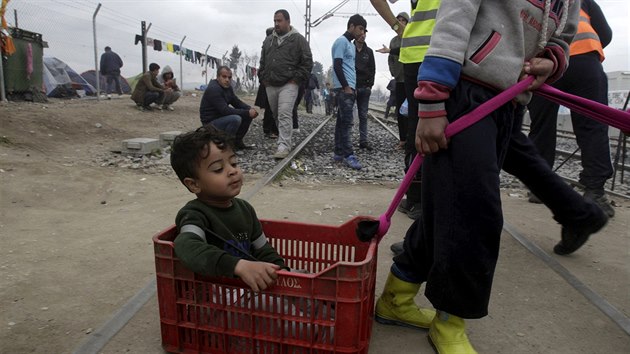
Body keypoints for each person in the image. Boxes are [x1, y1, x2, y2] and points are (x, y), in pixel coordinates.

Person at [373, 1, 608, 353]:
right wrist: (433, 101)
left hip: (510, 100)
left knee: (450, 201)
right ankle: (451, 318)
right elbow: (454, 18)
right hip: (463, 88)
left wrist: (554, 60)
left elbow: (563, 35)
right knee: (474, 212)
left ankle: (396, 296)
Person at [170, 125, 286, 292]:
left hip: (248, 289)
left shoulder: (245, 209)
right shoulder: (194, 214)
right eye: (218, 169)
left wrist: (282, 272)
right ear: (194, 184)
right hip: (216, 295)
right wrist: (237, 266)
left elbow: (263, 249)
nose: (232, 171)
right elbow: (186, 245)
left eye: (233, 163)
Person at [527, 0, 615, 218]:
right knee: (592, 126)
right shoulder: (583, 1)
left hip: (544, 64)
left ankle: (540, 189)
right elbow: (605, 33)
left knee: (541, 127)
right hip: (584, 61)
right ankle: (594, 191)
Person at [373, 1, 437, 221]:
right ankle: (421, 200)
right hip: (442, 51)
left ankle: (415, 197)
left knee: (417, 128)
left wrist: (399, 28)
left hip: (415, 54)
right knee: (432, 126)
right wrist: (398, 28)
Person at [259, 9, 313, 159]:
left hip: (289, 84)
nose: (276, 24)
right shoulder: (269, 40)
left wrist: (296, 79)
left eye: (279, 21)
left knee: (284, 112)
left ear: (288, 21)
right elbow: (262, 61)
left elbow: (307, 62)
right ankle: (283, 139)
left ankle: (284, 145)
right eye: (275, 21)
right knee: (276, 113)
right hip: (270, 84)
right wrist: (263, 77)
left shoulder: (298, 40)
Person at [331, 14, 367, 170]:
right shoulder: (341, 42)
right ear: (351, 26)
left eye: (364, 30)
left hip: (350, 88)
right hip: (344, 88)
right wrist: (346, 86)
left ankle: (338, 152)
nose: (362, 33)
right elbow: (337, 65)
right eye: (360, 28)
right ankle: (348, 155)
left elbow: (349, 67)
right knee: (347, 123)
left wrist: (353, 87)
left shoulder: (351, 45)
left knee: (341, 122)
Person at [199, 66, 258, 151]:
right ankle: (225, 146)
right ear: (218, 77)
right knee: (235, 119)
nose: (227, 80)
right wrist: (246, 112)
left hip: (221, 118)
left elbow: (236, 102)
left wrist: (250, 109)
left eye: (229, 77)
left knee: (247, 114)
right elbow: (225, 110)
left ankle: (237, 142)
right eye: (224, 77)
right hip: (210, 123)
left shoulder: (227, 88)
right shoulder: (214, 89)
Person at [387, 12, 409, 150]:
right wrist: (393, 72)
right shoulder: (393, 41)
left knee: (413, 110)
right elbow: (390, 59)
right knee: (400, 111)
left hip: (412, 78)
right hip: (399, 80)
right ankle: (402, 140)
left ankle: (412, 139)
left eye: (403, 20)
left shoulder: (411, 37)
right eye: (398, 20)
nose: (400, 22)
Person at [255, 27, 279, 140]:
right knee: (272, 107)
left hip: (269, 80)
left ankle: (271, 129)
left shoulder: (267, 45)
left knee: (272, 107)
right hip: (270, 81)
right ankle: (270, 129)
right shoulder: (269, 45)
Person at [354, 30, 376, 151]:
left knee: (363, 115)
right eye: (360, 33)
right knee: (347, 115)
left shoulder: (369, 52)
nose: (363, 36)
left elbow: (372, 69)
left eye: (364, 33)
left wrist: (370, 85)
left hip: (364, 87)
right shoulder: (349, 49)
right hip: (352, 86)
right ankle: (345, 140)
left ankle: (363, 140)